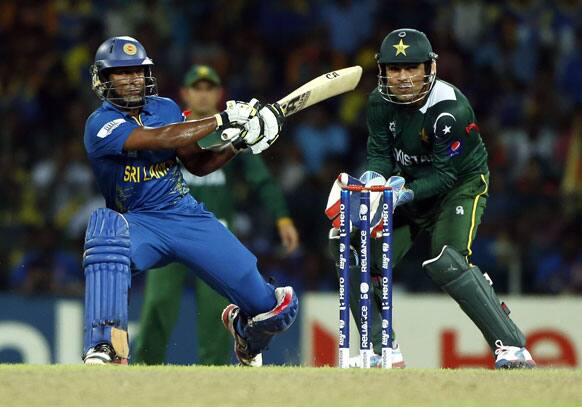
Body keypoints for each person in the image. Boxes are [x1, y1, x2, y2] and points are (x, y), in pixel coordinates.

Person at [82, 36, 298, 366]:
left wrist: (239, 143)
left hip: (185, 215)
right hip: (139, 222)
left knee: (275, 309)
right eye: (122, 73)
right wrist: (221, 120)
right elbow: (159, 138)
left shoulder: (165, 108)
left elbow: (196, 164)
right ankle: (104, 344)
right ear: (104, 79)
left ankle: (243, 330)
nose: (133, 79)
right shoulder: (99, 123)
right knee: (105, 232)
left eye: (138, 71)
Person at [326, 28, 535, 369]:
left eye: (412, 68)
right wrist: (375, 181)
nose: (404, 77)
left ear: (429, 68)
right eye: (395, 69)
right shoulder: (379, 103)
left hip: (459, 185)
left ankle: (512, 348)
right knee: (351, 246)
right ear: (384, 71)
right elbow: (379, 153)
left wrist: (400, 194)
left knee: (447, 260)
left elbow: (446, 175)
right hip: (406, 189)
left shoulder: (451, 110)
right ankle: (383, 350)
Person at [134, 65, 300, 365]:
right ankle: (143, 368)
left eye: (209, 87)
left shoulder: (231, 132)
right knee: (158, 303)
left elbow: (260, 178)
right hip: (167, 229)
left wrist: (282, 217)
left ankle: (214, 374)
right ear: (185, 94)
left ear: (219, 94)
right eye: (196, 87)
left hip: (214, 235)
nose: (203, 93)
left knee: (214, 311)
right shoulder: (173, 128)